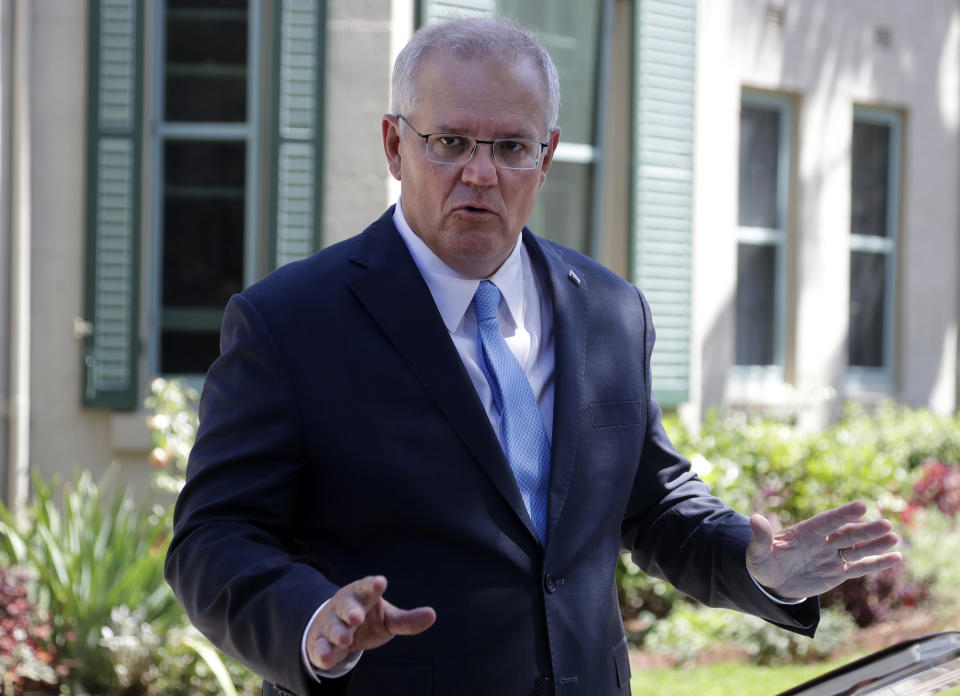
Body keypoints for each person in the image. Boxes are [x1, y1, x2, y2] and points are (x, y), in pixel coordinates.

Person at [165, 16, 901, 696]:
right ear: (395, 145)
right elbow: (214, 538)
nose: (480, 174)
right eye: (449, 142)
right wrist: (310, 618)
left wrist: (752, 560)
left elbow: (652, 502)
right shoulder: (290, 322)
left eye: (511, 147)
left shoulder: (610, 310)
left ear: (545, 155)